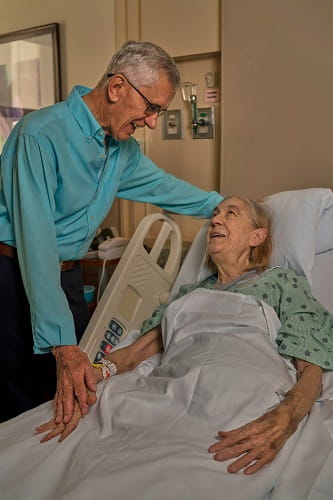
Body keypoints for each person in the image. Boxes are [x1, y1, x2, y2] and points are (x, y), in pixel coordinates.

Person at [0, 40, 223, 424]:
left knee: (66, 393)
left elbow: (166, 188)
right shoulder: (40, 134)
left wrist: (228, 208)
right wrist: (62, 344)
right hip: (12, 275)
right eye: (151, 108)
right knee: (16, 396)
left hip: (66, 275)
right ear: (117, 87)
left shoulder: (122, 150)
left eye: (159, 112)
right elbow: (36, 243)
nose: (153, 121)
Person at [34, 196, 332, 477]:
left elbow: (310, 363)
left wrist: (287, 417)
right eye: (215, 213)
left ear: (257, 237)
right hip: (172, 390)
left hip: (242, 393)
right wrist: (92, 374)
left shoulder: (280, 282)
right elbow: (136, 353)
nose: (216, 220)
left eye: (231, 213)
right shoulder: (189, 293)